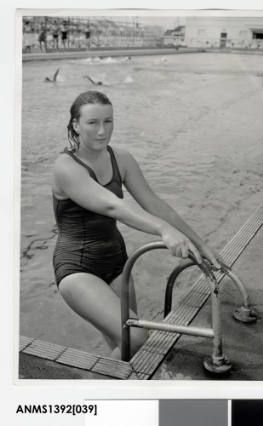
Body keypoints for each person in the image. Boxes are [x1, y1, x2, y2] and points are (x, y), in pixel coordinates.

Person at [52, 90, 221, 360]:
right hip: (78, 267)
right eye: (92, 122)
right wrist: (164, 231)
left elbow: (155, 204)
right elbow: (112, 205)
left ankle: (112, 395)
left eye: (108, 121)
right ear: (75, 124)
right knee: (137, 337)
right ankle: (87, 395)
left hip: (118, 263)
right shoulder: (66, 166)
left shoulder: (122, 158)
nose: (102, 131)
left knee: (125, 347)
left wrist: (199, 245)